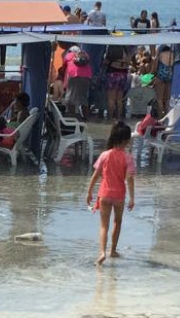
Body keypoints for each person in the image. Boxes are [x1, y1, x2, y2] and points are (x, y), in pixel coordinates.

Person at [85, 122, 135, 266]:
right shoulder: (128, 158)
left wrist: (89, 192)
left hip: (104, 194)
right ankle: (112, 250)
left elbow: (95, 175)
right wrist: (132, 198)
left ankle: (102, 252)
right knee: (117, 222)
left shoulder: (105, 155)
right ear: (126, 141)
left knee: (103, 225)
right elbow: (130, 179)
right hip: (119, 195)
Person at [104, 44, 132, 121]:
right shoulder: (127, 50)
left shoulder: (113, 48)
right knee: (119, 100)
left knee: (111, 99)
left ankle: (109, 118)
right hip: (123, 74)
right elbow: (129, 62)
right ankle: (119, 118)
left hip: (113, 73)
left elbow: (106, 61)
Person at [63, 45, 92, 119]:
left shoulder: (70, 55)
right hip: (86, 78)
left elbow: (65, 61)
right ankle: (86, 117)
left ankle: (72, 116)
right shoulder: (85, 55)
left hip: (74, 77)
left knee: (71, 97)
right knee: (83, 98)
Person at [152, 44, 174, 113]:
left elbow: (154, 68)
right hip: (169, 75)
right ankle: (166, 117)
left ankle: (160, 117)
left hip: (160, 76)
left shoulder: (160, 54)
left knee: (159, 99)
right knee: (167, 99)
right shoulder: (172, 54)